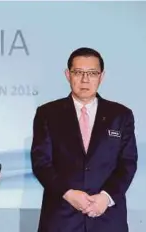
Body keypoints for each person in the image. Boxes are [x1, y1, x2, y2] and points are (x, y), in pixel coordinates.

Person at [30, 47, 138, 232]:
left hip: (108, 218)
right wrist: (68, 194)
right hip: (61, 218)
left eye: (92, 73)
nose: (85, 79)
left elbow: (127, 163)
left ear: (101, 76)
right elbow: (41, 163)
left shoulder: (120, 115)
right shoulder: (48, 114)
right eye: (78, 72)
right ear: (67, 75)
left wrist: (106, 197)